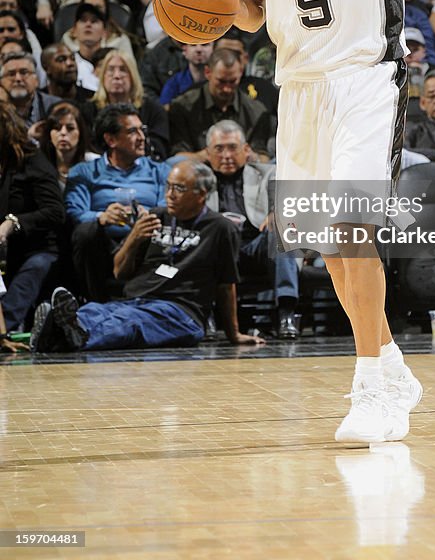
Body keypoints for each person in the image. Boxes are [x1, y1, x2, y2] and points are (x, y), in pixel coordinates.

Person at [185, 0, 432, 444]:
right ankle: (390, 363)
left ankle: (370, 388)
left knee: (355, 230)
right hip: (299, 88)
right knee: (331, 246)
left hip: (366, 76)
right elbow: (252, 14)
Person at [32, 160, 263, 352]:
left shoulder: (220, 228)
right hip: (135, 300)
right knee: (97, 310)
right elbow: (119, 271)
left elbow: (226, 284)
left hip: (179, 312)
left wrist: (234, 334)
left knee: (131, 323)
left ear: (201, 194)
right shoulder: (156, 217)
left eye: (179, 189)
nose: (169, 195)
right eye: (168, 186)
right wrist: (134, 237)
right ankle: (60, 331)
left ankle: (66, 332)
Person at [203, 120, 300, 339]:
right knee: (203, 240)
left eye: (232, 148)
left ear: (246, 150)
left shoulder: (267, 173)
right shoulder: (199, 178)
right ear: (208, 154)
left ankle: (286, 313)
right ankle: (204, 313)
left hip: (256, 245)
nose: (226, 155)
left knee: (281, 230)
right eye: (219, 149)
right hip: (218, 249)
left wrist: (278, 212)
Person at [65, 103, 171, 302]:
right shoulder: (84, 172)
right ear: (111, 139)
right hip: (103, 244)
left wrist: (149, 215)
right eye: (132, 131)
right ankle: (94, 304)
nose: (141, 137)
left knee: (161, 222)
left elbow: (168, 207)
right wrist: (102, 217)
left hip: (145, 241)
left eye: (142, 130)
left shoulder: (159, 170)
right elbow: (75, 212)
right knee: (85, 232)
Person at [0, 100, 64, 332]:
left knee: (33, 271)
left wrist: (13, 223)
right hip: (4, 252)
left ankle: (3, 326)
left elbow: (55, 212)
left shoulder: (32, 160)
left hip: (37, 249)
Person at [168, 47, 273, 160]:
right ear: (208, 72)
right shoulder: (183, 107)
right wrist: (209, 156)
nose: (227, 89)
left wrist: (250, 156)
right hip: (197, 171)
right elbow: (177, 157)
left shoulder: (256, 111)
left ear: (241, 73)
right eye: (221, 82)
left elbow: (263, 157)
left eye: (233, 81)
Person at [86, 50, 170, 161]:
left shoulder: (153, 109)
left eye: (123, 70)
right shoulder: (89, 109)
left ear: (133, 76)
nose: (117, 76)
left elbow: (159, 149)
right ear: (103, 76)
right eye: (110, 70)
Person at [38, 99, 95, 187]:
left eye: (70, 128)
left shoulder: (95, 164)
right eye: (57, 128)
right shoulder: (39, 164)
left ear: (80, 132)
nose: (63, 132)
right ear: (49, 133)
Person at [0, 51, 61, 127]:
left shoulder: (56, 106)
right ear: (1, 82)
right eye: (11, 74)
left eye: (24, 72)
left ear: (36, 80)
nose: (18, 79)